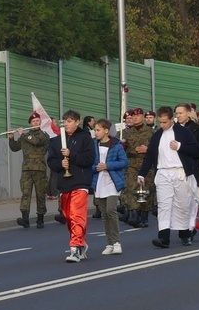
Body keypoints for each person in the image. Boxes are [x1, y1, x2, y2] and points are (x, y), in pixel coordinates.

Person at [138, 106, 199, 248]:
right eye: (160, 122)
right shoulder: (157, 135)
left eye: (165, 122)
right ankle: (163, 237)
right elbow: (150, 156)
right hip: (163, 173)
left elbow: (196, 150)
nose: (162, 125)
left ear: (172, 119)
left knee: (182, 205)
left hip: (180, 173)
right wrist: (142, 173)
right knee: (163, 205)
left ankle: (184, 234)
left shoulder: (184, 132)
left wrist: (180, 146)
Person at [46, 109, 95, 263]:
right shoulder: (56, 141)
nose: (66, 124)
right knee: (68, 216)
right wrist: (61, 164)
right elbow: (51, 161)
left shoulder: (85, 138)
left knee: (76, 215)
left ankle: (75, 248)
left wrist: (72, 155)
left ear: (77, 122)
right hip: (64, 184)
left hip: (80, 182)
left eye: (69, 121)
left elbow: (89, 159)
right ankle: (81, 242)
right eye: (65, 121)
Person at [91, 119, 128, 255]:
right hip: (99, 182)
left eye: (98, 130)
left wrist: (108, 166)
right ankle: (109, 243)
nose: (96, 132)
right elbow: (90, 163)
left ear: (106, 131)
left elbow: (124, 162)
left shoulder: (116, 145)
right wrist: (95, 168)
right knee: (104, 214)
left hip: (112, 181)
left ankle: (117, 241)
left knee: (111, 209)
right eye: (95, 130)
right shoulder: (93, 145)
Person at [8, 112, 49, 229]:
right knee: (26, 193)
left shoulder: (44, 135)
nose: (35, 123)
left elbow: (36, 141)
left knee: (40, 193)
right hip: (26, 168)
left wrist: (23, 135)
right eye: (33, 121)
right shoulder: (25, 136)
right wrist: (11, 138)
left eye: (37, 121)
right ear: (30, 123)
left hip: (39, 169)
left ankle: (40, 219)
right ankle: (25, 218)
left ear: (40, 122)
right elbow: (15, 148)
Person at [176, 104, 199, 239]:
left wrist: (182, 149)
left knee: (191, 200)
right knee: (178, 201)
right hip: (176, 169)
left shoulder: (198, 129)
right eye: (176, 113)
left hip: (192, 168)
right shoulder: (173, 130)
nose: (178, 116)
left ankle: (190, 227)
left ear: (188, 113)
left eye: (181, 113)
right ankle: (183, 228)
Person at [122, 108, 154, 228]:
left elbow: (157, 148)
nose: (135, 118)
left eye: (138, 115)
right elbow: (120, 147)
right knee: (132, 188)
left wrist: (148, 149)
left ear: (143, 117)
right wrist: (122, 145)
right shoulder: (126, 132)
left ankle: (144, 216)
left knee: (145, 190)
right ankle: (133, 214)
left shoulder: (150, 131)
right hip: (132, 163)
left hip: (146, 163)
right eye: (133, 116)